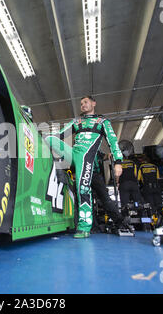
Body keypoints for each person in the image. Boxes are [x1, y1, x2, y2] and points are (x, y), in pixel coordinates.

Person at [45, 96, 123, 238]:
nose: (83, 105)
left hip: (87, 158)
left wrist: (118, 162)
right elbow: (60, 134)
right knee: (49, 139)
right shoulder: (76, 121)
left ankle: (85, 228)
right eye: (81, 103)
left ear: (94, 103)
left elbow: (113, 141)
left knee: (83, 189)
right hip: (74, 154)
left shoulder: (102, 122)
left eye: (86, 102)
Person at [91, 152, 130, 231]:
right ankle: (93, 225)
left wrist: (108, 155)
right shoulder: (78, 149)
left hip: (95, 175)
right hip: (85, 175)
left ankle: (119, 220)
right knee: (89, 202)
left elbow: (103, 156)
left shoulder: (94, 148)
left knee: (105, 199)